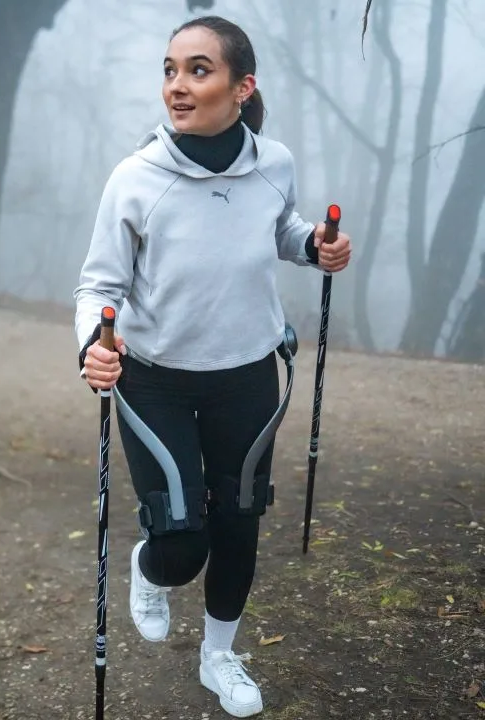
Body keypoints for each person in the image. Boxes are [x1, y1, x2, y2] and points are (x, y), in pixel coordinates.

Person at [73, 15, 351, 719]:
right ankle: (149, 566)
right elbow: (97, 288)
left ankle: (219, 657)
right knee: (183, 541)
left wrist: (313, 245)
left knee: (238, 520)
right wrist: (92, 346)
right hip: (156, 381)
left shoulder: (274, 162)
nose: (177, 85)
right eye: (170, 70)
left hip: (247, 374)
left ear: (241, 85)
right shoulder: (135, 179)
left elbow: (279, 225)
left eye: (198, 70)